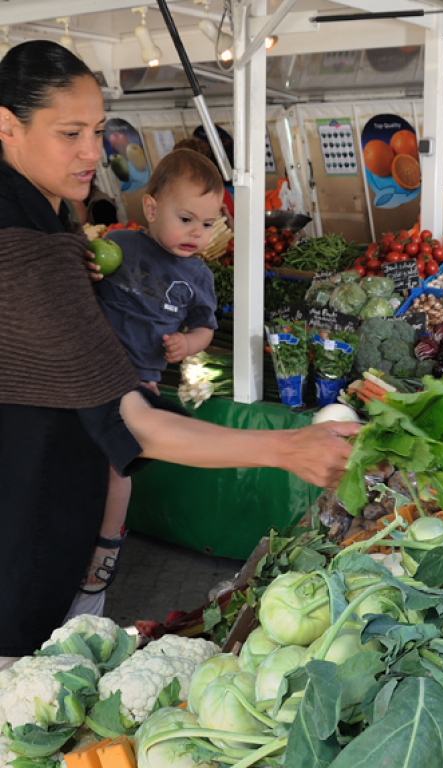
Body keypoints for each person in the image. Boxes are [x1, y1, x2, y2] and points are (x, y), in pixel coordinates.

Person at [0, 40, 358, 662]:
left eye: (97, 129)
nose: (93, 152)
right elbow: (130, 419)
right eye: (69, 133)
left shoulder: (45, 220)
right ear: (6, 125)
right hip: (20, 511)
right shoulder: (24, 240)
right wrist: (285, 446)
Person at [80, 149, 224, 593]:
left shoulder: (199, 276)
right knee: (76, 455)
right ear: (151, 207)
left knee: (116, 466)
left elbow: (204, 327)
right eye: (186, 219)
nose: (197, 233)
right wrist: (88, 271)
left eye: (208, 223)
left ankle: (107, 543)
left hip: (138, 383)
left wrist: (187, 344)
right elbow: (83, 284)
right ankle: (74, 530)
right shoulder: (120, 246)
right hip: (89, 369)